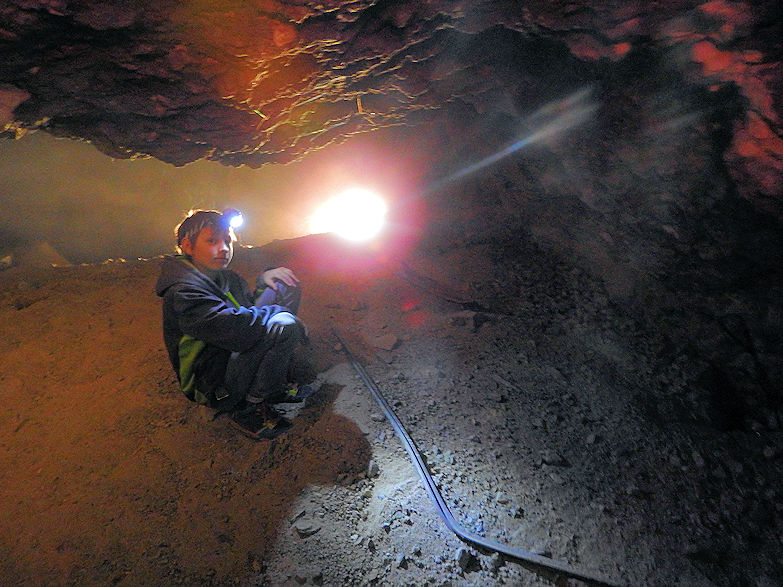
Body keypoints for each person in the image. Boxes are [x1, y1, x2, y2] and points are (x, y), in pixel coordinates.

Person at [155, 209, 313, 440]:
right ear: (188, 246)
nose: (223, 248)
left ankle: (273, 378)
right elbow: (238, 331)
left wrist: (264, 281)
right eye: (212, 241)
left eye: (227, 241)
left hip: (230, 348)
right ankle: (248, 407)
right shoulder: (183, 292)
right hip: (211, 381)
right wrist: (279, 314)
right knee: (283, 325)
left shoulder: (225, 278)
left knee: (282, 283)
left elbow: (247, 309)